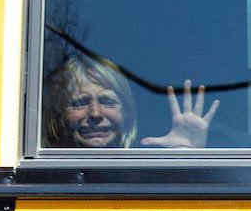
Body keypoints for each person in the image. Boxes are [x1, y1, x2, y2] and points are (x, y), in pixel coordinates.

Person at [43, 55, 219, 148]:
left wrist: (186, 156)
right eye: (80, 102)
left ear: (127, 113)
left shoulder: (145, 171)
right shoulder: (43, 174)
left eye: (107, 101)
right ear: (61, 115)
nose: (95, 113)